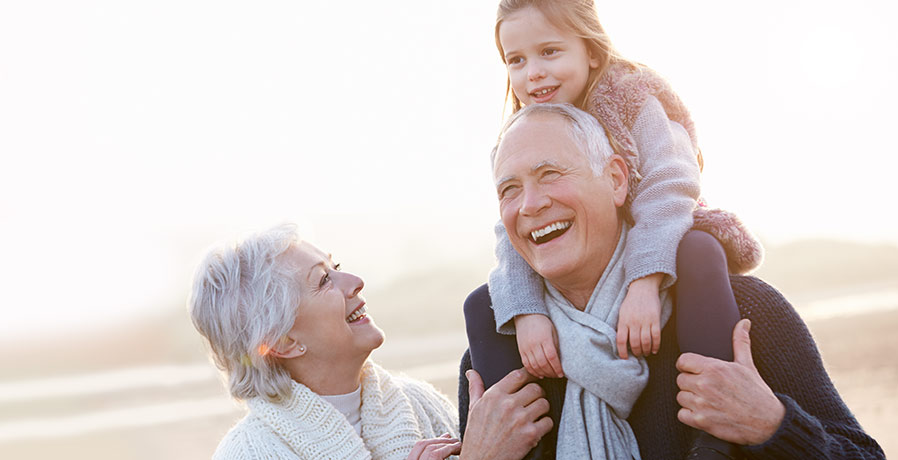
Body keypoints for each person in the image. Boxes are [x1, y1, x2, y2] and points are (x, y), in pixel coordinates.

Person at [459, 103, 883, 459]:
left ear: (616, 179)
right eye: (509, 189)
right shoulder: (494, 360)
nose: (531, 204)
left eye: (550, 174)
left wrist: (772, 424)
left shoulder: (744, 314)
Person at [476, 0, 760, 455]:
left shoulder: (631, 96)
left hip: (665, 229)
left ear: (591, 50)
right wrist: (527, 312)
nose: (534, 73)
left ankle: (715, 426)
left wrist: (644, 282)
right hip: (586, 264)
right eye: (516, 60)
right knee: (481, 305)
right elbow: (512, 234)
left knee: (700, 250)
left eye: (550, 52)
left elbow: (671, 184)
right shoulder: (521, 135)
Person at [189, 225, 545, 460]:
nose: (355, 281)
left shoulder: (420, 403)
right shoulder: (248, 453)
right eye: (323, 280)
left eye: (337, 265)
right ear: (282, 341)